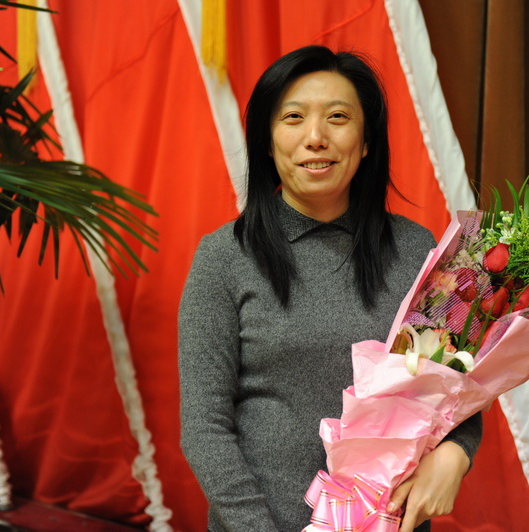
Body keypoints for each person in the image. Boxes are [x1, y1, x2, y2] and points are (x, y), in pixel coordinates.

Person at [179, 44, 482, 532]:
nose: (316, 137)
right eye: (293, 117)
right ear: (267, 141)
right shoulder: (224, 257)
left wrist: (456, 453)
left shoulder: (416, 249)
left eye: (337, 117)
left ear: (366, 142)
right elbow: (204, 428)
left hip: (388, 521)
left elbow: (455, 382)